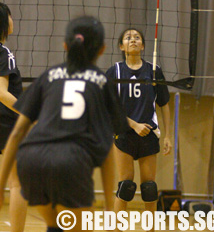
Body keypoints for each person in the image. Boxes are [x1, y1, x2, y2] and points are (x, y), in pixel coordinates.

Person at [0, 16, 129, 232]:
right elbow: (107, 150)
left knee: (55, 225)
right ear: (102, 49)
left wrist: (1, 182)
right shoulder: (102, 81)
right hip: (73, 162)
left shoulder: (48, 76)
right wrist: (108, 204)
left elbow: (17, 133)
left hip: (35, 161)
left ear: (65, 46)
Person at [106, 28, 172, 231]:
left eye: (137, 38)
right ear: (121, 46)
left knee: (149, 188)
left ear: (143, 45)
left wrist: (168, 135)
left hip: (148, 135)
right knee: (125, 186)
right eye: (128, 37)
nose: (132, 40)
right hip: (125, 133)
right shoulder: (114, 71)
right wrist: (133, 124)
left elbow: (164, 104)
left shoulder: (153, 71)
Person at [0, 2, 27, 232]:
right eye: (10, 16)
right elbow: (2, 93)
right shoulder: (3, 52)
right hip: (7, 123)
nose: (12, 20)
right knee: (18, 183)